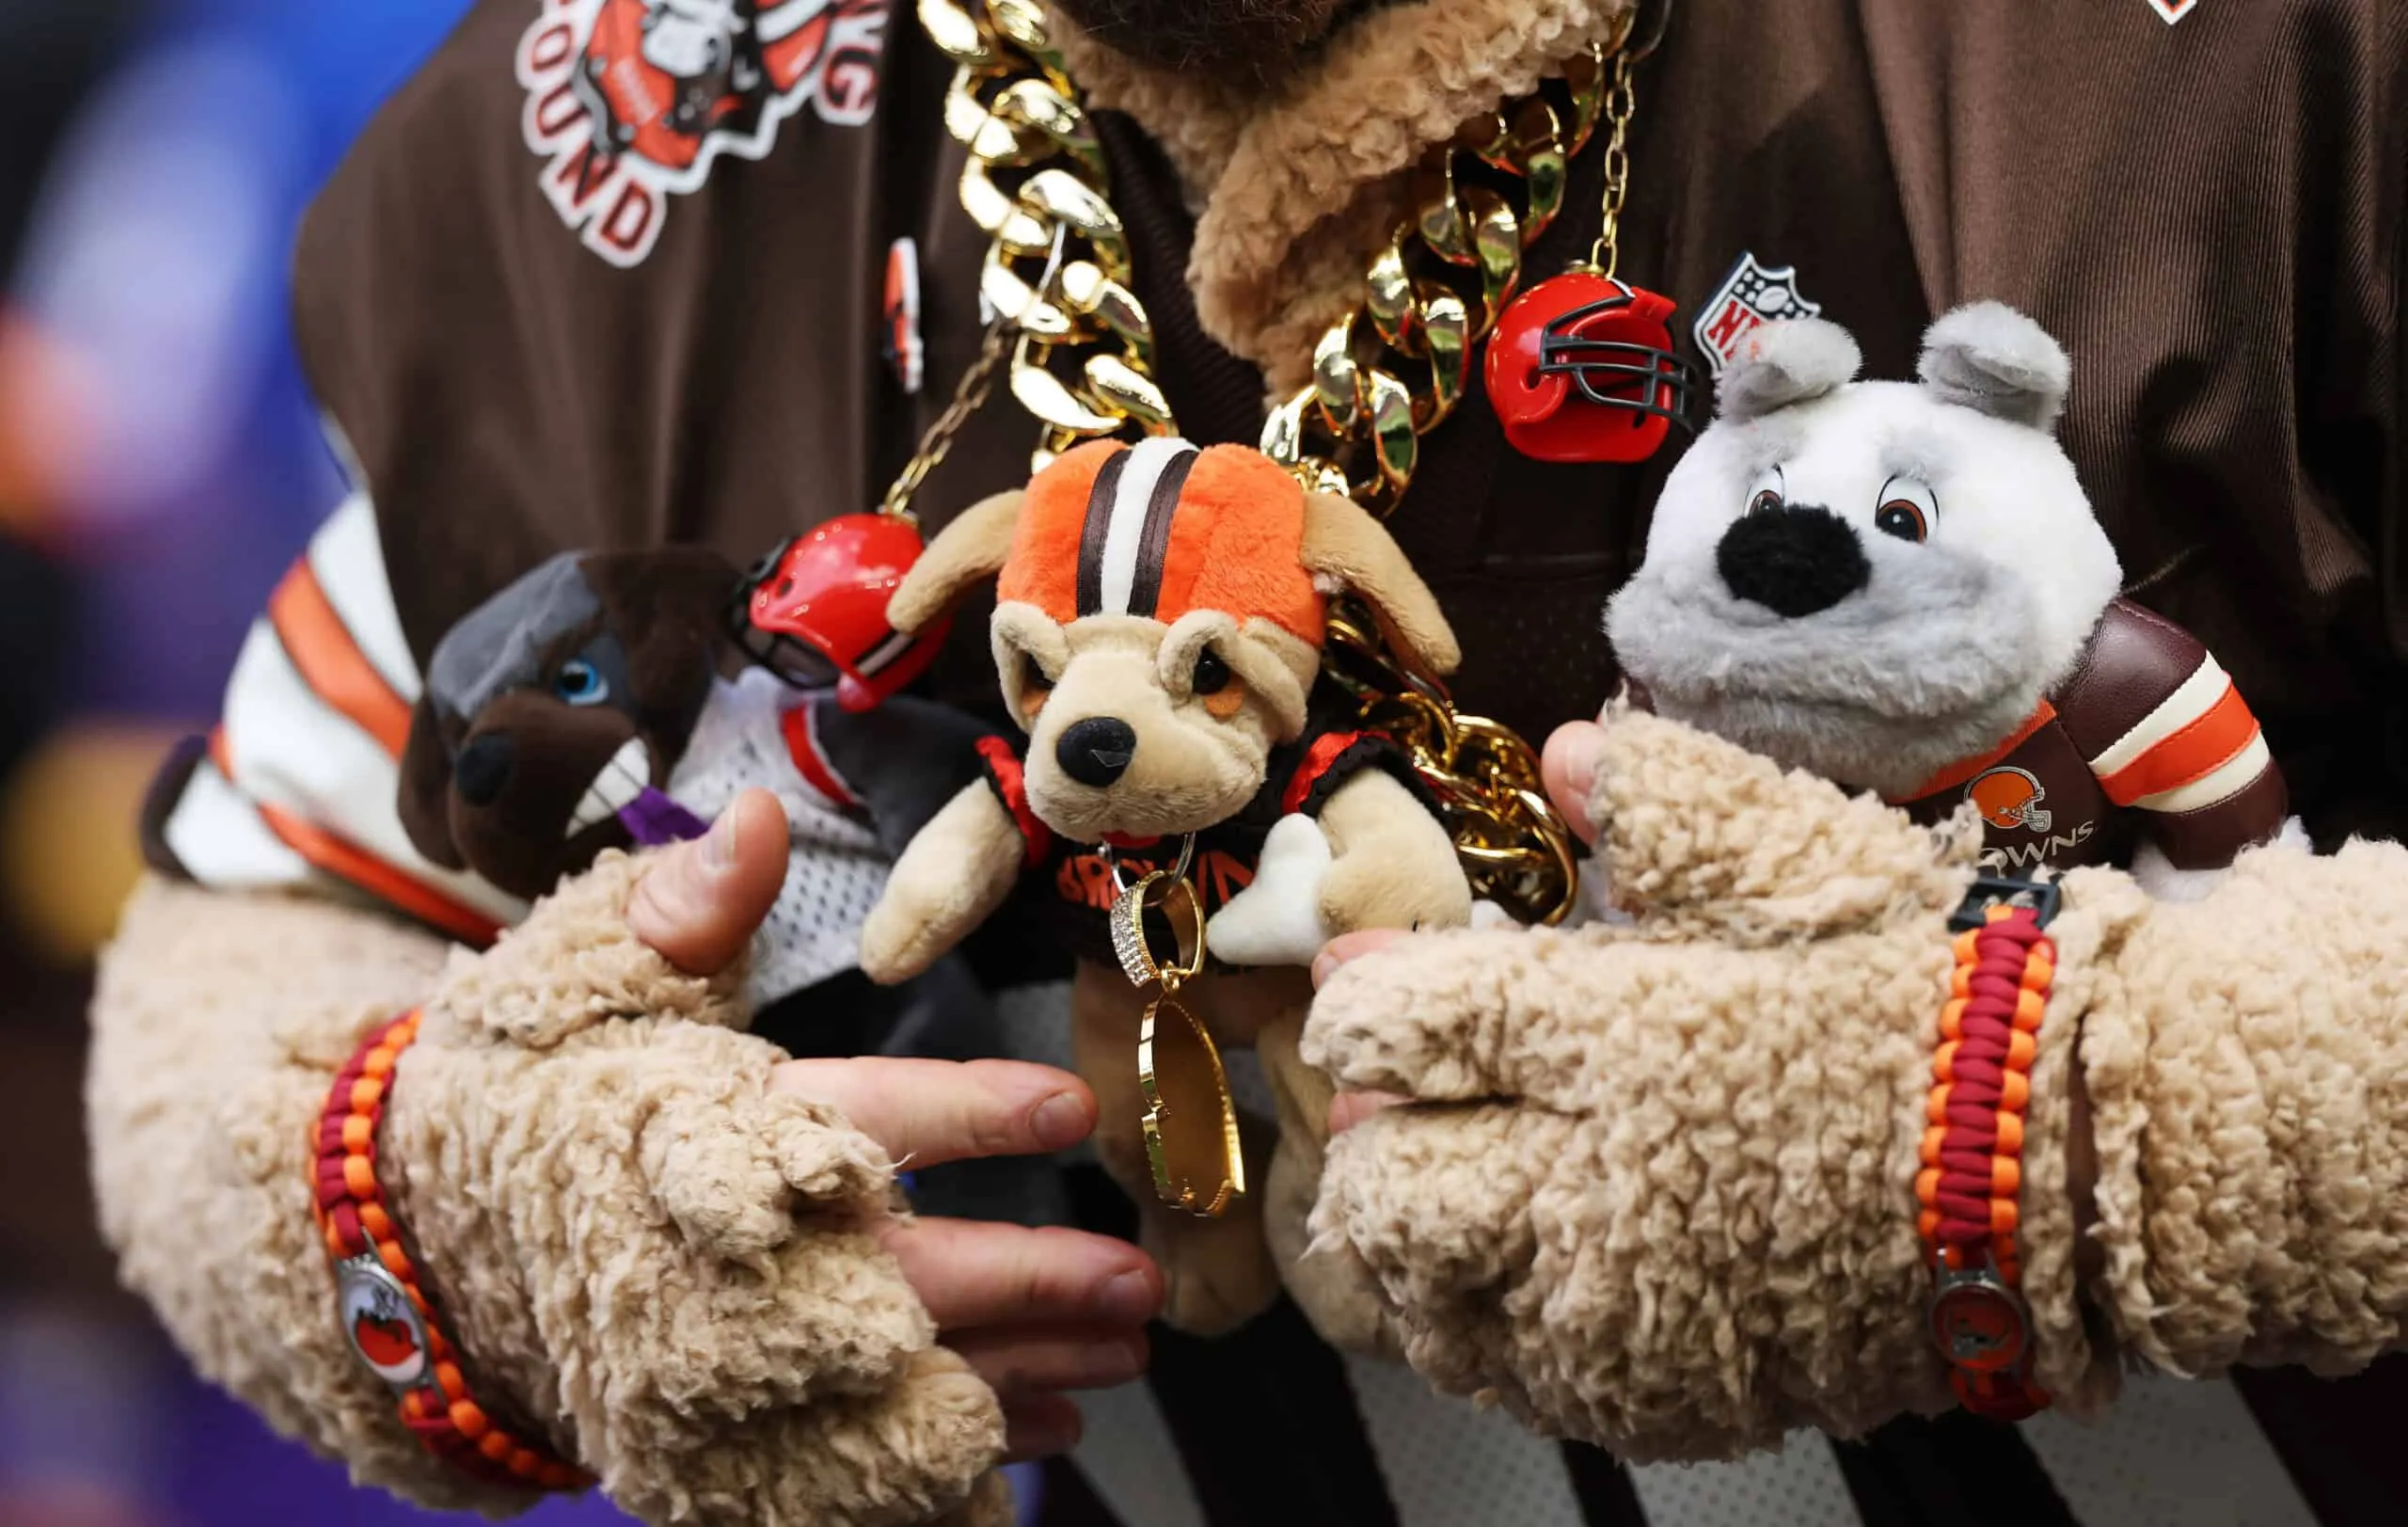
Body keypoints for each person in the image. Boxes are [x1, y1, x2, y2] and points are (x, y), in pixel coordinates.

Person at [86, 1, 2406, 1524]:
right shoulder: (646, 130)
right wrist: (488, 1199)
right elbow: (240, 952)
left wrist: (2071, 1128)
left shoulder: (2211, 75)